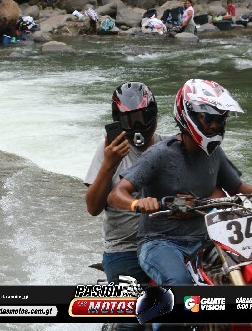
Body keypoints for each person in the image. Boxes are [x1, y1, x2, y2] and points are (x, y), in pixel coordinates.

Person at [107, 78, 252, 288]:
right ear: (188, 116)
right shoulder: (159, 154)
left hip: (203, 241)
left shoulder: (214, 153)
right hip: (160, 243)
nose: (214, 125)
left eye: (220, 119)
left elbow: (240, 189)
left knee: (247, 270)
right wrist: (137, 203)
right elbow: (116, 194)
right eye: (208, 118)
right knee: (180, 283)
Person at [84, 82, 163, 331]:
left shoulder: (168, 147)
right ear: (118, 122)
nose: (137, 127)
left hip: (166, 242)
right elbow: (93, 207)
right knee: (132, 324)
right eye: (129, 121)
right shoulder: (109, 151)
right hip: (124, 247)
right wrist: (109, 163)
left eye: (142, 118)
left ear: (154, 117)